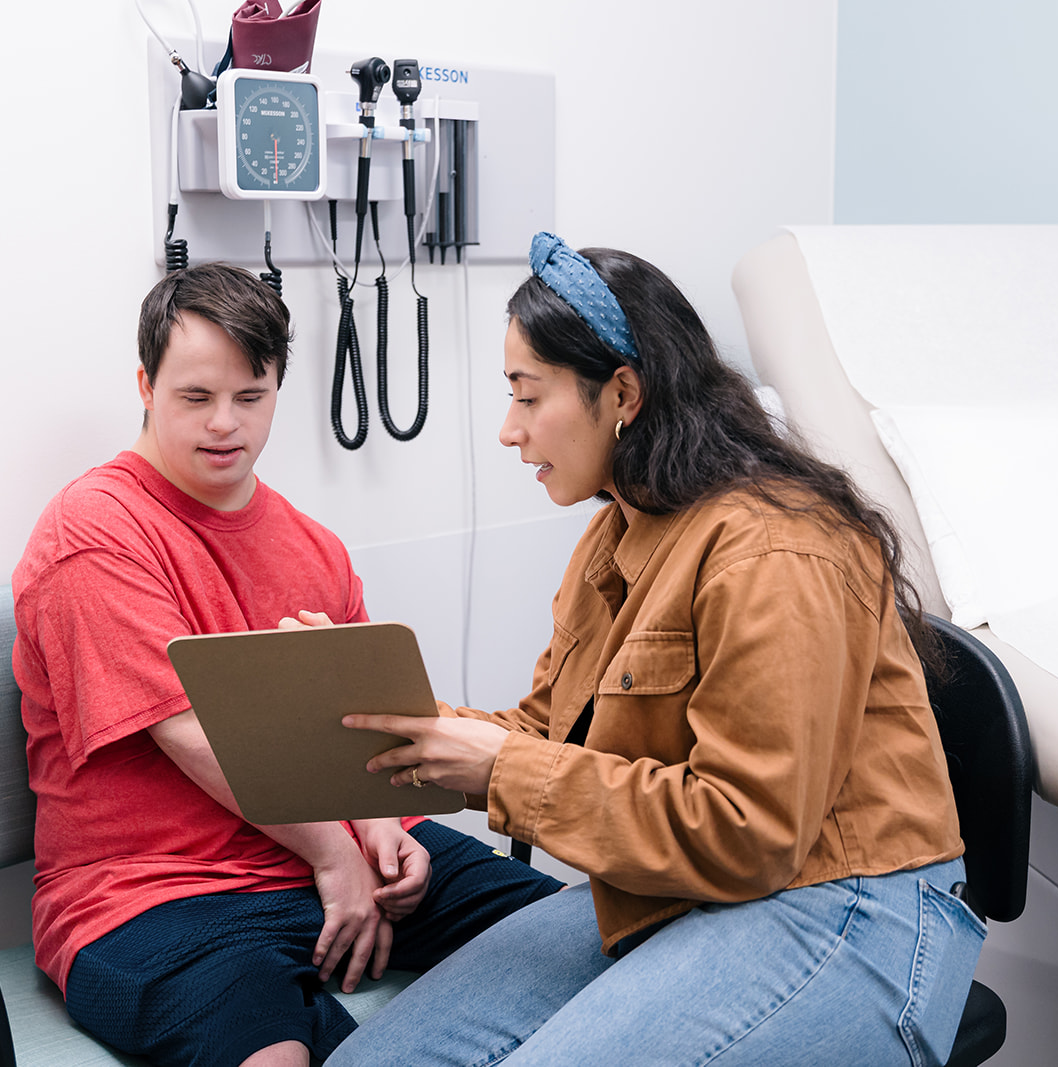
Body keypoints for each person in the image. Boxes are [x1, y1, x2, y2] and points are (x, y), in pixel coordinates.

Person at [331, 234, 985, 1066]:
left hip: (850, 903)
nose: (508, 430)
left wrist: (498, 767)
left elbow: (752, 831)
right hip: (691, 889)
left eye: (528, 397)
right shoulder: (622, 527)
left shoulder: (777, 551)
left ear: (623, 394)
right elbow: (548, 730)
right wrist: (379, 715)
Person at [12, 263, 562, 1067]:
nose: (223, 425)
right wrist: (335, 858)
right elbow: (199, 736)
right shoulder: (95, 531)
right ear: (145, 384)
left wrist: (378, 832)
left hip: (326, 853)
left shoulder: (312, 545)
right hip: (154, 893)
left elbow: (364, 723)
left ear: (278, 386)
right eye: (195, 398)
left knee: (584, 939)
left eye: (250, 396)